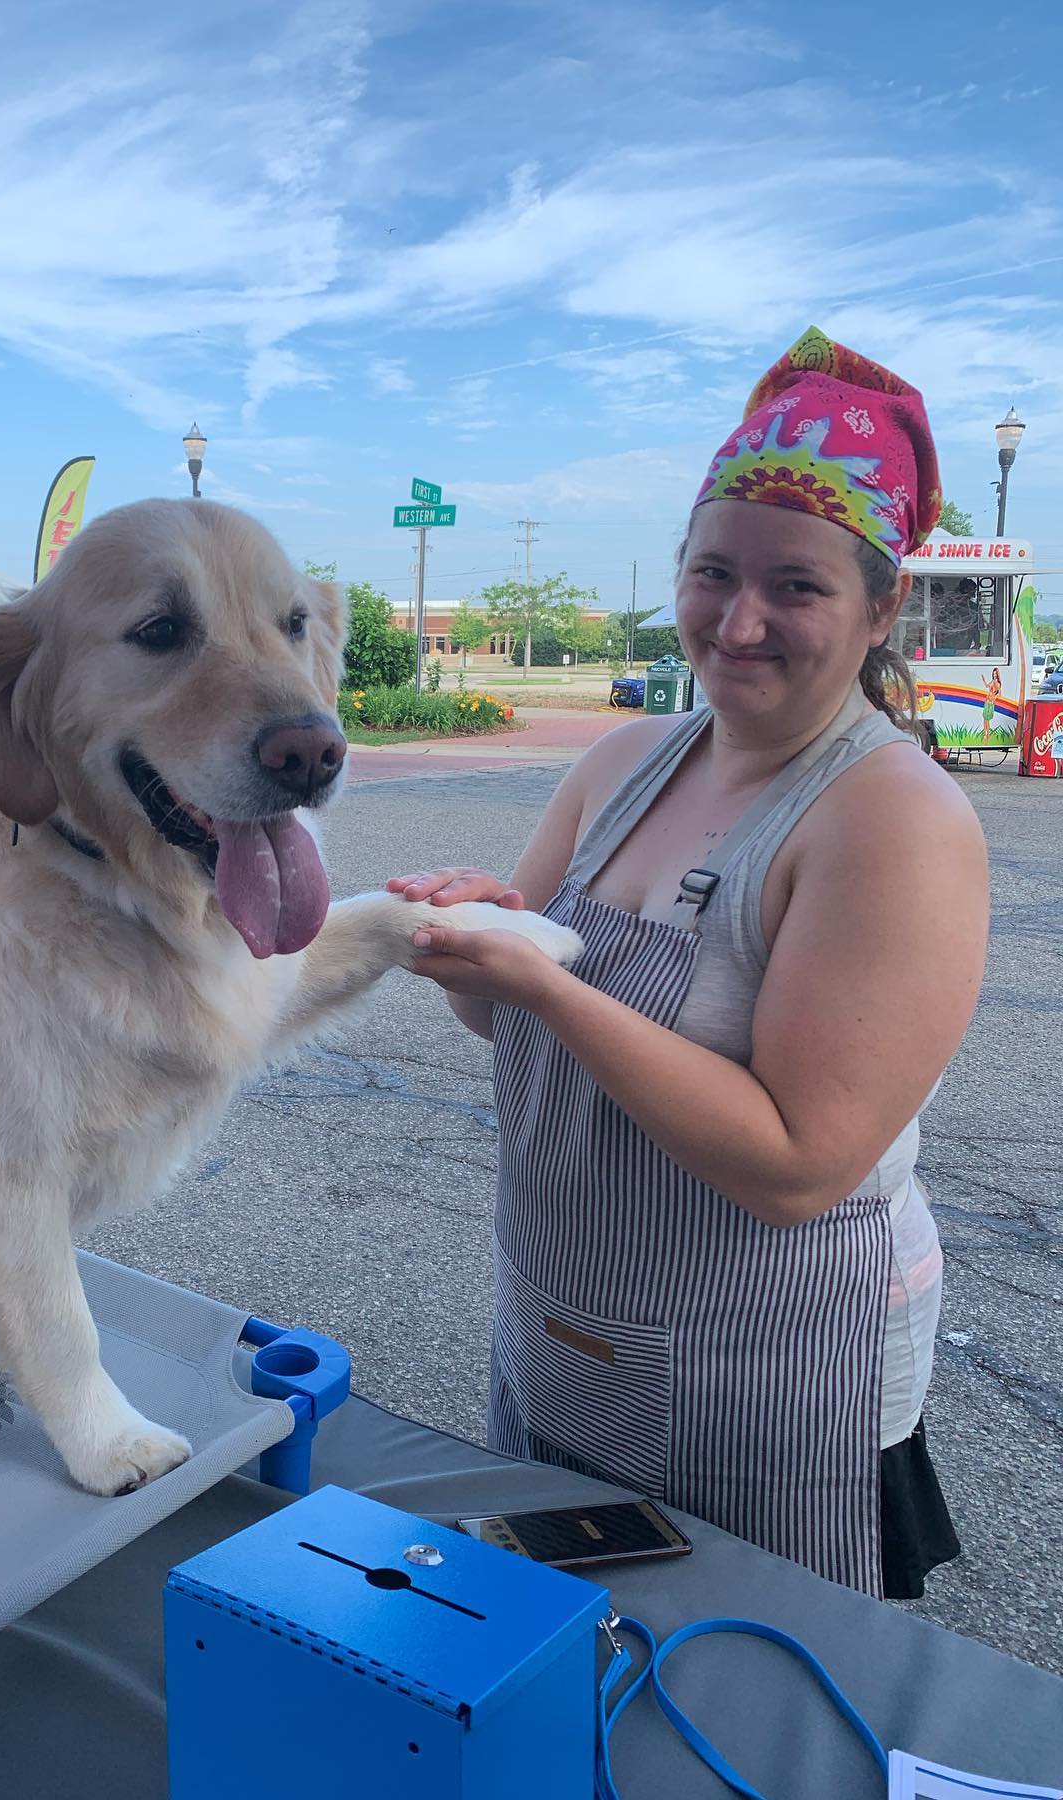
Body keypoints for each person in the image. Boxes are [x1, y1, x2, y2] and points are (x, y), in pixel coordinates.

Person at [392, 327, 987, 1601]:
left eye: (800, 587)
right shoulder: (623, 765)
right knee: (569, 1661)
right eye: (713, 572)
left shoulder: (891, 820)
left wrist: (548, 980)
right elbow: (515, 1034)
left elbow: (795, 1164)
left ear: (884, 606)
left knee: (757, 1692)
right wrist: (477, 957)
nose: (742, 620)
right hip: (561, 1320)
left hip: (776, 1366)